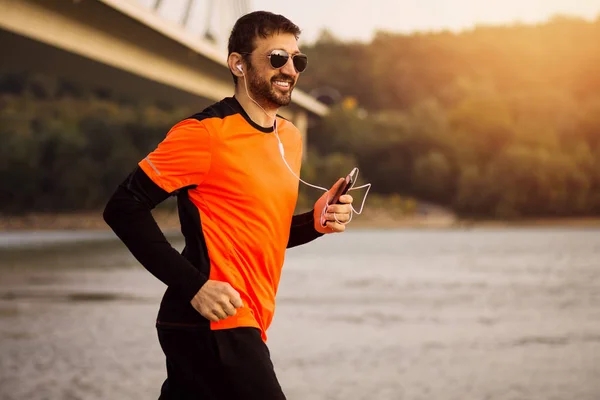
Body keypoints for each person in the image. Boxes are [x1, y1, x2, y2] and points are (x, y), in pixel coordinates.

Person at [103, 10, 354, 400]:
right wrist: (195, 286)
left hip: (242, 318)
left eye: (296, 60)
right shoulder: (203, 134)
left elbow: (261, 233)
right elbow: (123, 207)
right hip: (211, 320)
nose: (290, 68)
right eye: (276, 58)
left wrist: (314, 222)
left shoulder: (288, 138)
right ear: (238, 64)